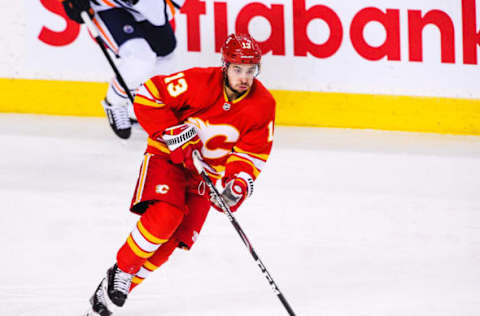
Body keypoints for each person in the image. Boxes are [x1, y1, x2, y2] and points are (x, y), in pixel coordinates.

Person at [84, 33, 276, 316]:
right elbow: (149, 95)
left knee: (174, 240)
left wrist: (237, 182)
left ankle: (109, 298)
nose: (244, 77)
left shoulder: (263, 104)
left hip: (204, 176)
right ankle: (122, 269)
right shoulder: (200, 82)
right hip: (168, 158)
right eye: (237, 69)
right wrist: (175, 135)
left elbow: (253, 153)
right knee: (166, 217)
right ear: (224, 66)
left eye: (250, 70)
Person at [61, 0, 184, 139]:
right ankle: (114, 101)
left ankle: (141, 108)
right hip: (105, 7)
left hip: (146, 7)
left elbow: (160, 14)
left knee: (166, 54)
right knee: (140, 59)